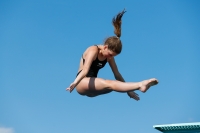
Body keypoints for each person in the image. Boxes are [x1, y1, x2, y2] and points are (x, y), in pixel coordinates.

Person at [66, 9, 158, 101]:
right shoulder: (93, 50)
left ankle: (137, 87)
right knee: (110, 83)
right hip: (82, 83)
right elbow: (85, 70)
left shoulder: (109, 57)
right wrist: (74, 83)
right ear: (105, 47)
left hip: (92, 90)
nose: (110, 57)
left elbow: (117, 74)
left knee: (113, 86)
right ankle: (140, 85)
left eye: (113, 56)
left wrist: (129, 92)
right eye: (110, 54)